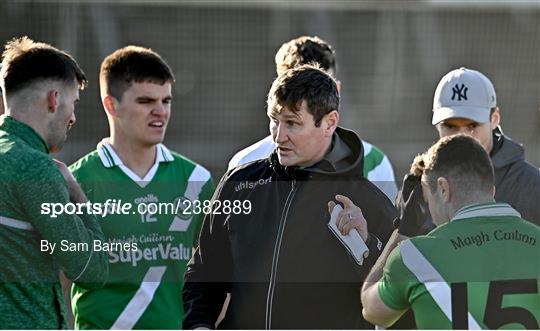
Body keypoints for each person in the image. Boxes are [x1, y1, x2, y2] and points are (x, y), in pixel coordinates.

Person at [183, 64, 396, 329]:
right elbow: (204, 271)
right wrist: (197, 325)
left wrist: (367, 245)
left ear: (329, 123)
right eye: (274, 120)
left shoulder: (368, 201)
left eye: (292, 123)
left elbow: (395, 299)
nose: (278, 136)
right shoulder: (239, 184)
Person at [68, 46, 214, 329]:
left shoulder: (196, 181)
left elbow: (216, 278)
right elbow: (58, 282)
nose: (160, 111)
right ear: (111, 105)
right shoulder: (78, 182)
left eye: (166, 100)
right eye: (146, 101)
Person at [360, 134, 539, 329]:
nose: (430, 211)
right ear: (492, 190)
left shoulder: (414, 256)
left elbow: (372, 311)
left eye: (427, 199)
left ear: (443, 189)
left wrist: (403, 231)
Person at [0, 36, 109, 329]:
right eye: (73, 102)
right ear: (54, 99)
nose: (73, 116)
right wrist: (77, 194)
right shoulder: (35, 168)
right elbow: (91, 270)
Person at [228, 36, 398, 201]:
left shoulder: (374, 161)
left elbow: (389, 228)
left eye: (319, 86)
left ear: (336, 90)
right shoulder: (245, 164)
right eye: (291, 87)